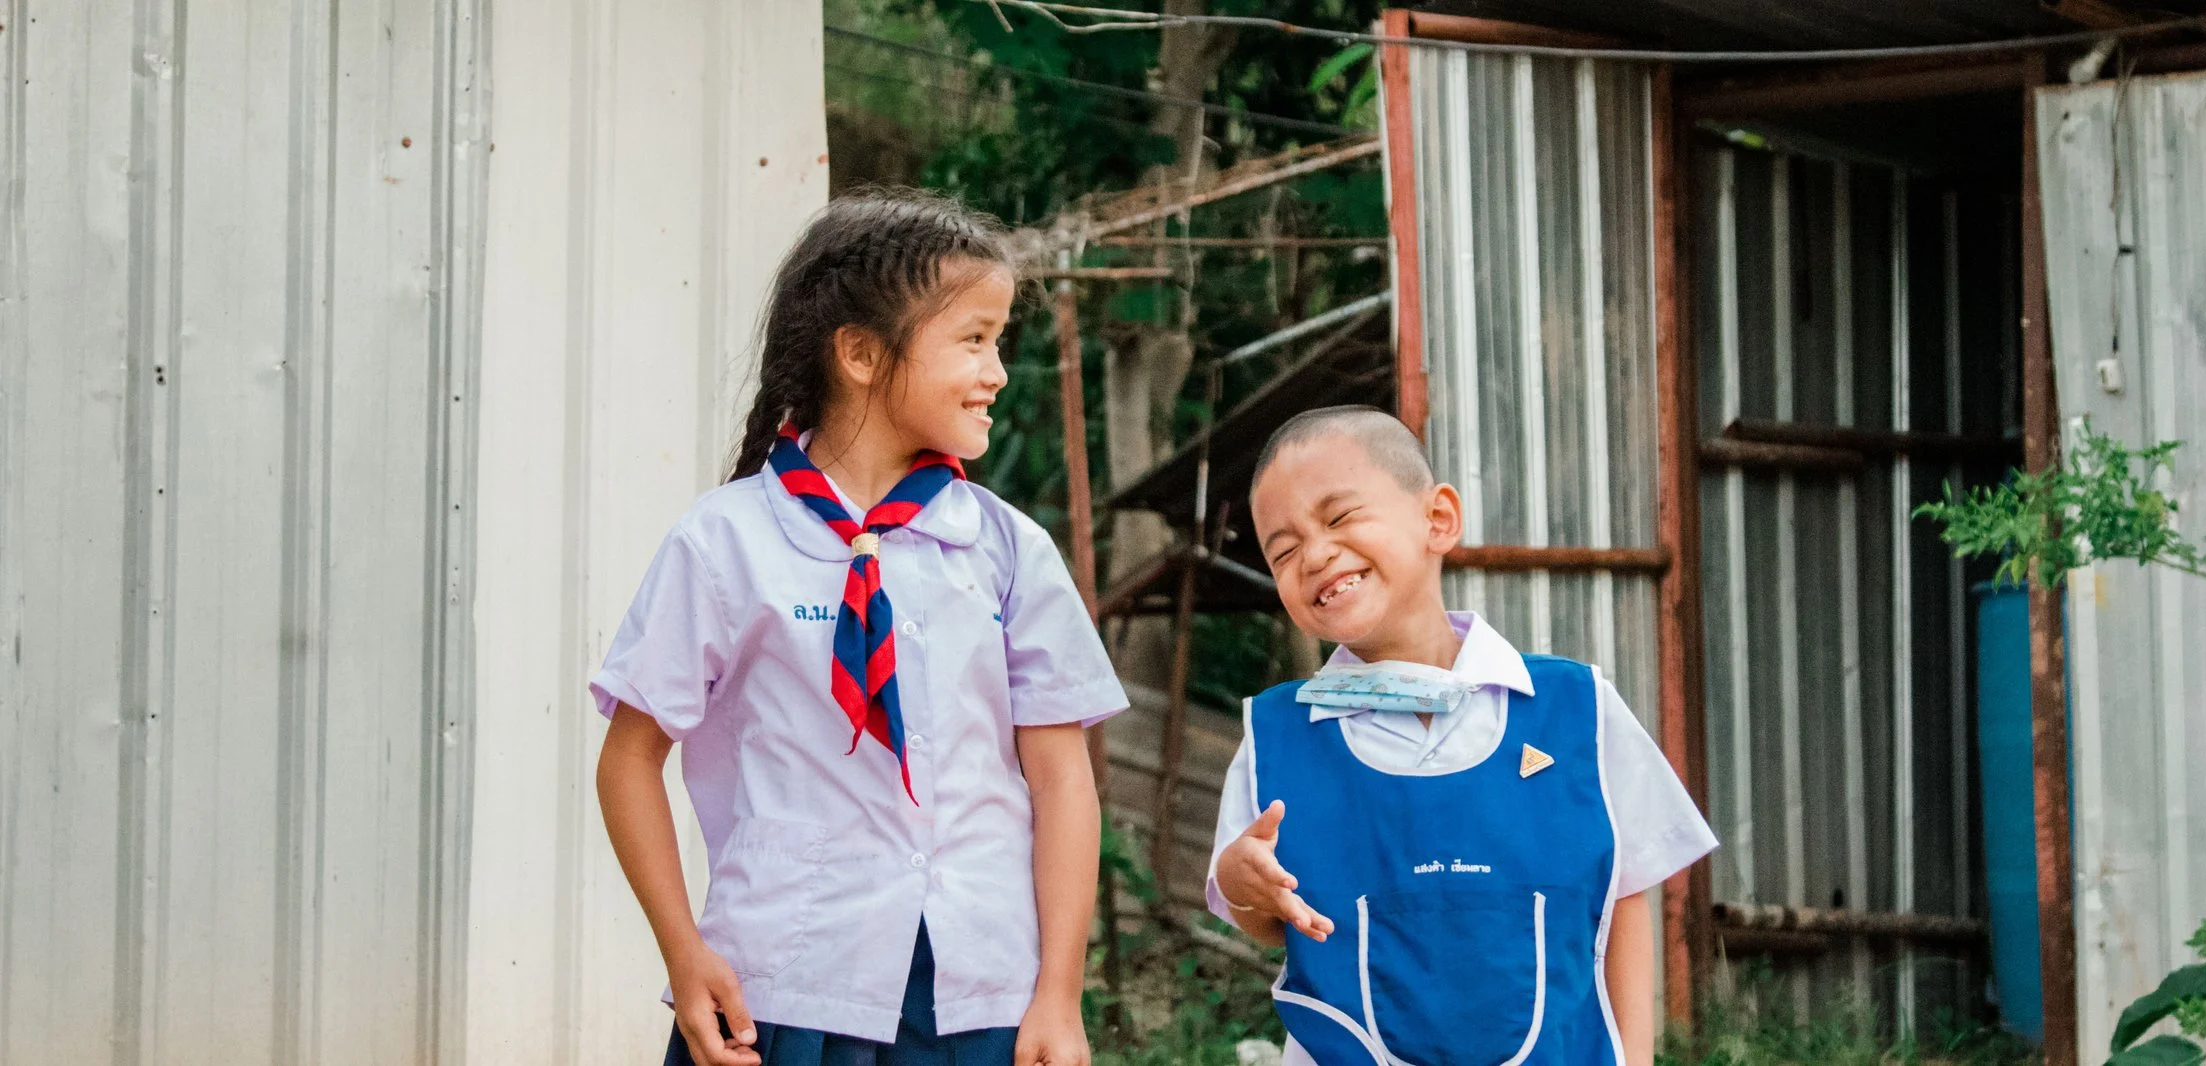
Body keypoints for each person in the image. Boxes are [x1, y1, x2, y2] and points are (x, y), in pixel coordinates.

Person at [592, 189, 1124, 1066]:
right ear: (863, 355)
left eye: (999, 342)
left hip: (976, 993)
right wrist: (685, 957)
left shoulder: (1005, 548)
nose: (997, 372)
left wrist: (1059, 995)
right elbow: (630, 758)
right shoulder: (726, 541)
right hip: (780, 987)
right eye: (974, 340)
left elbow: (1063, 781)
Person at [1209, 405, 1717, 1065]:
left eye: (1338, 518)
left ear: (1437, 520)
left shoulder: (1575, 710)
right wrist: (1241, 881)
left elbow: (1623, 898)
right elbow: (1269, 923)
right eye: (1284, 549)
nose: (1316, 553)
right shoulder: (1275, 737)